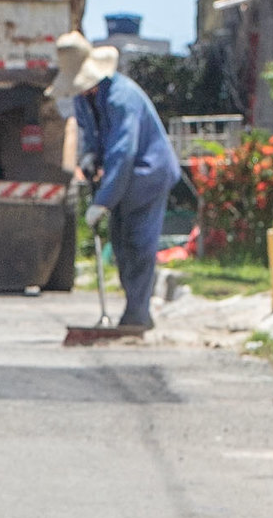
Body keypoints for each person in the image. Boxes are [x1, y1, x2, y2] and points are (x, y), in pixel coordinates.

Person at [52, 30, 181, 331]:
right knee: (122, 246)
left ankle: (137, 315)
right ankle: (136, 313)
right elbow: (92, 136)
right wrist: (89, 157)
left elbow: (123, 154)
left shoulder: (122, 99)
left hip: (147, 175)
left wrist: (102, 202)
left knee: (138, 243)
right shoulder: (86, 99)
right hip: (121, 179)